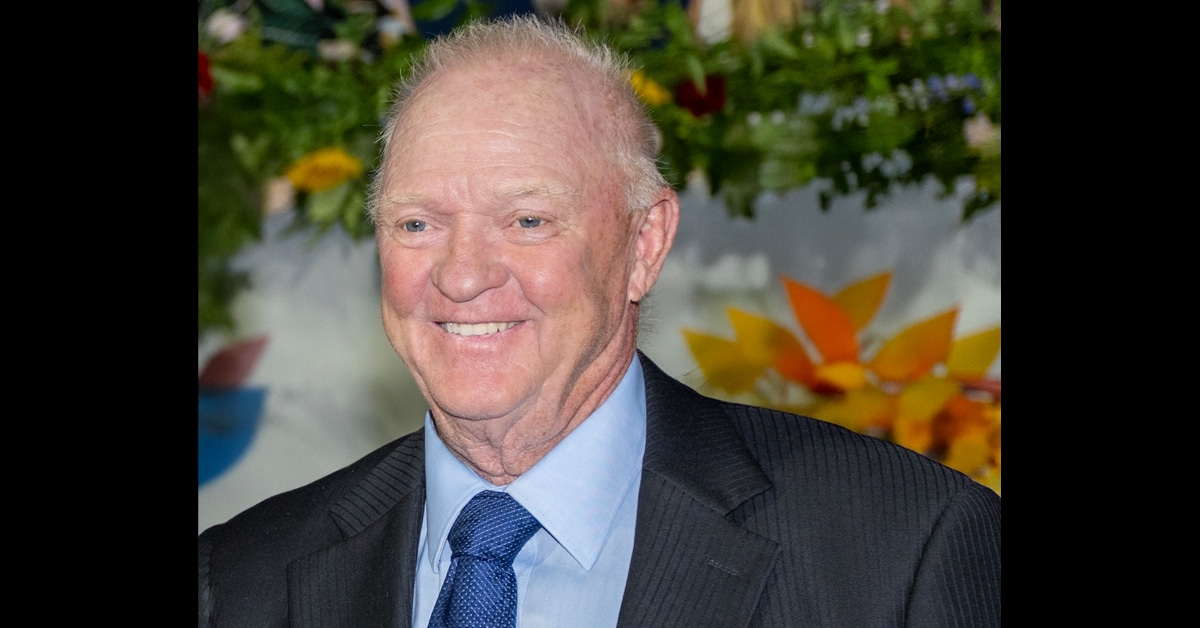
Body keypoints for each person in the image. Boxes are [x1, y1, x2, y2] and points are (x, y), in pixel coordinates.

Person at [197, 14, 1000, 627]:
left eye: (529, 221)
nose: (462, 273)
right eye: (416, 224)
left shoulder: (901, 552)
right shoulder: (238, 579)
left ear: (644, 244)